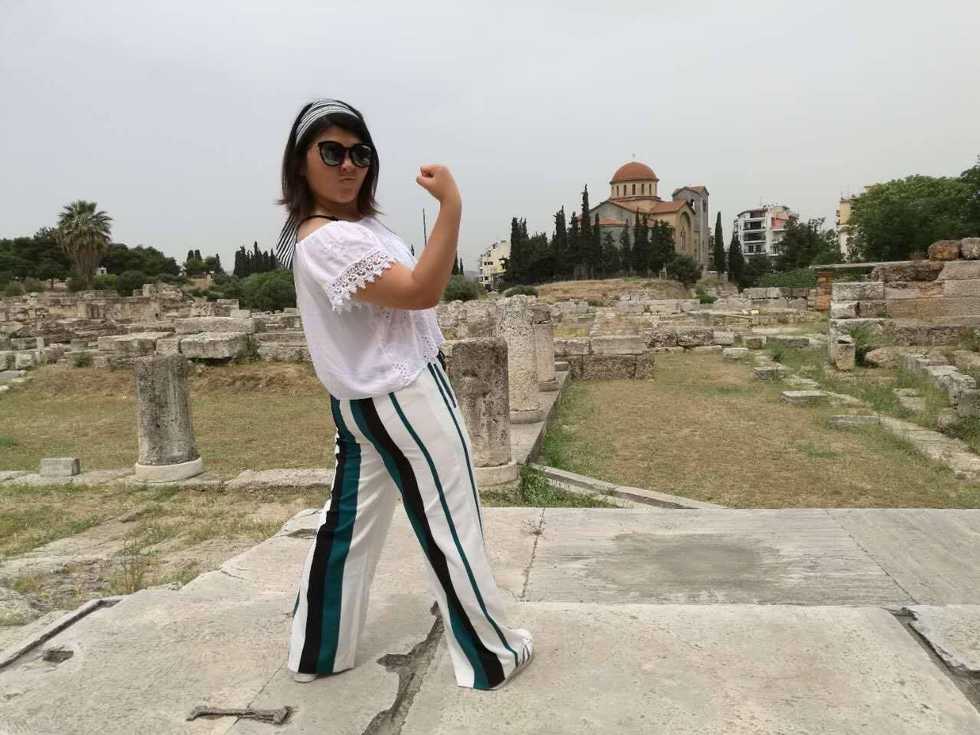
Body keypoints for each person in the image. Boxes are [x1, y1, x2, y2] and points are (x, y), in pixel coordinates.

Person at [274, 98, 533, 691]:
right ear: (301, 162)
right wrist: (452, 206)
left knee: (347, 527)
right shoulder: (327, 240)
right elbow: (420, 291)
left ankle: (317, 650)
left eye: (360, 153)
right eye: (331, 152)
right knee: (452, 521)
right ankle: (490, 655)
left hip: (362, 401)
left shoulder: (352, 230)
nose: (348, 165)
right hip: (403, 394)